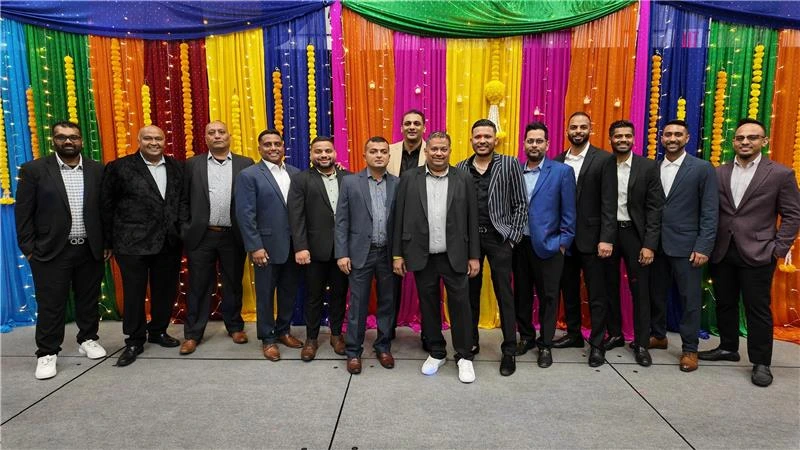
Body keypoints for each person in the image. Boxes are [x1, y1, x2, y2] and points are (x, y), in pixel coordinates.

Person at [699, 118, 800, 386]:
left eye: (752, 137)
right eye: (740, 138)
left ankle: (761, 362)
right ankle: (728, 347)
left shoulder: (780, 174)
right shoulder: (718, 173)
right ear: (733, 142)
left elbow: (792, 214)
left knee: (757, 309)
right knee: (725, 302)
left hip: (759, 252)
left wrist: (778, 249)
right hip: (722, 250)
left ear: (763, 141)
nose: (745, 142)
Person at [15, 121, 109, 379]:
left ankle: (88, 338)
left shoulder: (97, 170)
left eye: (74, 137)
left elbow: (105, 210)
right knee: (51, 304)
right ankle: (47, 352)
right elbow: (23, 213)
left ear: (81, 141)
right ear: (53, 140)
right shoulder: (34, 170)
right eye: (62, 137)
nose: (68, 141)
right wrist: (29, 249)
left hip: (89, 248)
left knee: (88, 299)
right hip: (50, 251)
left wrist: (106, 243)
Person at [392, 131, 480, 384]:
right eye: (434, 149)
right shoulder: (409, 178)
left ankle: (464, 356)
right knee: (428, 305)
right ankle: (437, 351)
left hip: (456, 255)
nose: (439, 153)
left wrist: (474, 256)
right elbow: (399, 217)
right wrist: (397, 254)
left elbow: (472, 219)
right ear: (426, 151)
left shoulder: (463, 178)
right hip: (423, 255)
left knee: (461, 306)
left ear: (450, 151)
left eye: (443, 149)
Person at [101, 125, 183, 367]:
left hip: (168, 241)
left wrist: (182, 231)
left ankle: (158, 331)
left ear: (165, 141)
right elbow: (106, 205)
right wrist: (107, 241)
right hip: (131, 242)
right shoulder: (119, 167)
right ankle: (134, 340)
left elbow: (181, 201)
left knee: (165, 291)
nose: (154, 142)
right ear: (139, 140)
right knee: (135, 293)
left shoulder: (177, 167)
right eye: (148, 138)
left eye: (158, 138)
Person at [455, 119, 527, 376]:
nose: (482, 140)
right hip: (469, 243)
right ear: (471, 140)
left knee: (504, 295)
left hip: (499, 240)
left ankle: (509, 349)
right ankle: (471, 343)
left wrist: (512, 238)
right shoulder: (460, 167)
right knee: (469, 295)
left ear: (495, 139)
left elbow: (521, 203)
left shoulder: (509, 164)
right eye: (478, 136)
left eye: (487, 136)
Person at [178, 121, 254, 355]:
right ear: (205, 138)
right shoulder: (192, 164)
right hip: (201, 236)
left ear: (229, 136)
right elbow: (183, 199)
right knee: (198, 285)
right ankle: (193, 334)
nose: (217, 136)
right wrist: (186, 229)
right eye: (212, 132)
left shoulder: (245, 164)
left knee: (233, 283)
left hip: (233, 235)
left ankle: (235, 327)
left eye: (221, 132)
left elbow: (252, 200)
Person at [649, 119, 718, 372]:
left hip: (688, 247)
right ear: (661, 138)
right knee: (656, 294)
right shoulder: (653, 168)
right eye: (668, 134)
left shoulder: (702, 168)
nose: (672, 138)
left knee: (689, 299)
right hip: (656, 245)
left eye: (678, 134)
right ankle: (658, 335)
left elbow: (710, 211)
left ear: (687, 138)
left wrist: (703, 246)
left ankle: (690, 349)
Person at [553, 112, 617, 367]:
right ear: (567, 130)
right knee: (568, 289)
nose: (578, 131)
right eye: (573, 127)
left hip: (594, 239)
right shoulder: (557, 161)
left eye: (583, 127)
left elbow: (609, 202)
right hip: (565, 240)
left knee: (597, 294)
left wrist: (606, 238)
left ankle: (598, 344)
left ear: (590, 130)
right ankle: (573, 334)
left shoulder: (604, 159)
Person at [512, 122, 576, 369]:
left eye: (539, 141)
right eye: (530, 141)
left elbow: (569, 212)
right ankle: (526, 337)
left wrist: (563, 243)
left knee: (549, 297)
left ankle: (545, 344)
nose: (534, 145)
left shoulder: (562, 172)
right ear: (524, 144)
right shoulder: (515, 171)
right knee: (522, 295)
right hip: (519, 245)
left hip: (550, 246)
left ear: (547, 144)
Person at [235, 129, 302, 361]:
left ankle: (283, 331)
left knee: (288, 292)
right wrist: (255, 246)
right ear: (260, 148)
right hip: (265, 246)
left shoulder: (295, 173)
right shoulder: (249, 175)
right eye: (267, 144)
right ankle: (268, 338)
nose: (273, 148)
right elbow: (245, 214)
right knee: (265, 294)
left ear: (283, 146)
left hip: (293, 246)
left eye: (277, 144)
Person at [602, 120, 664, 367]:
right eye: (618, 136)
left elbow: (655, 209)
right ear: (611, 139)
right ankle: (615, 334)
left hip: (636, 236)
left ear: (634, 139)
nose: (623, 140)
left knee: (640, 291)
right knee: (609, 286)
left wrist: (649, 244)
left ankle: (641, 343)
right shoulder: (603, 165)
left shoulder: (648, 167)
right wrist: (603, 238)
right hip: (608, 234)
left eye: (627, 136)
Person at [336, 137, 398, 374]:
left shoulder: (398, 183)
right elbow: (341, 221)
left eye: (383, 151)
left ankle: (383, 347)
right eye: (373, 151)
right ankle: (353, 351)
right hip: (360, 253)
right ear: (365, 155)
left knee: (387, 303)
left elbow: (402, 222)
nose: (379, 155)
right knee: (358, 305)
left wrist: (400, 255)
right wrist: (342, 253)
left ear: (389, 156)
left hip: (388, 254)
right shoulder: (351, 182)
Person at [288, 136, 350, 361]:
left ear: (335, 153)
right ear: (311, 154)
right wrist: (300, 247)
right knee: (313, 296)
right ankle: (311, 339)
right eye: (318, 151)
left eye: (328, 151)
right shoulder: (301, 179)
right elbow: (296, 216)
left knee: (339, 295)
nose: (324, 155)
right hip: (313, 251)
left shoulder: (349, 178)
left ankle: (336, 335)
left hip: (343, 251)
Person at [387, 109, 428, 344]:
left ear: (423, 127)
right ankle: (387, 331)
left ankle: (429, 333)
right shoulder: (388, 151)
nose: (412, 127)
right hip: (392, 225)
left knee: (426, 286)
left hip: (423, 228)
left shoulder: (433, 151)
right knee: (390, 284)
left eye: (417, 123)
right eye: (408, 123)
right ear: (401, 127)